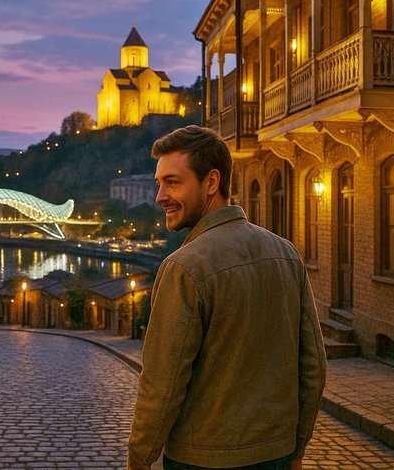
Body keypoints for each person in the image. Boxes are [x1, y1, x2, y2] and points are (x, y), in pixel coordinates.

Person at [128, 126, 327, 470]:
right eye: (159, 183)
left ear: (211, 182)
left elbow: (162, 385)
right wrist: (296, 449)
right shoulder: (286, 254)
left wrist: (138, 459)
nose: (160, 196)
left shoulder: (184, 267)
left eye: (172, 182)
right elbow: (313, 366)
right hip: (276, 455)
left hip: (203, 458)